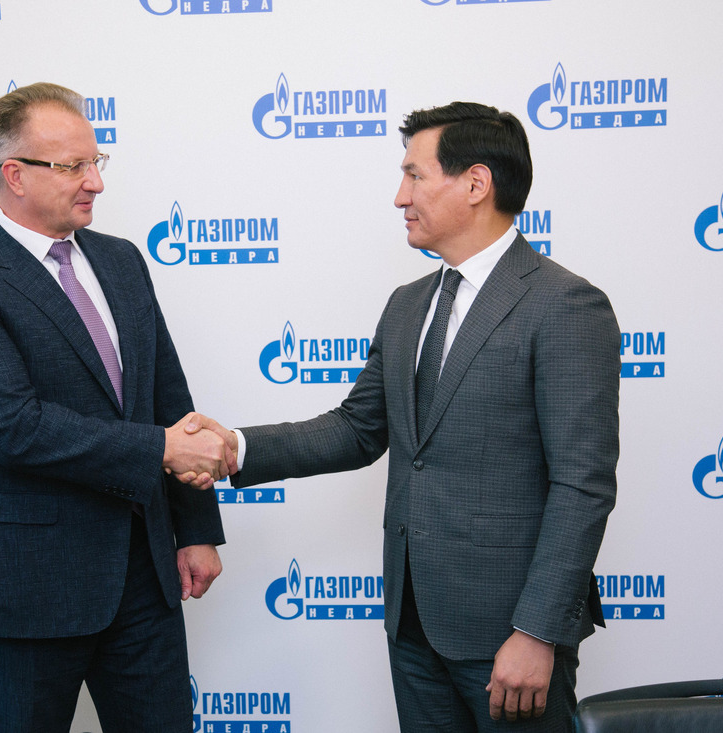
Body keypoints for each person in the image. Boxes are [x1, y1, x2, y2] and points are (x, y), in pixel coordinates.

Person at [186, 102, 620, 731]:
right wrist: (236, 449)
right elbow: (360, 428)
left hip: (510, 633)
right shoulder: (407, 305)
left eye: (415, 175)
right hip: (412, 624)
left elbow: (583, 484)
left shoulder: (564, 305)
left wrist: (536, 631)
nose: (399, 196)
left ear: (476, 184)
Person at [0, 82, 230, 733]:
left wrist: (196, 525)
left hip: (144, 575)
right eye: (73, 166)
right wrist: (163, 449)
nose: (95, 183)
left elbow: (168, 395)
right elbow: (14, 428)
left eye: (96, 161)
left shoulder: (121, 260)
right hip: (26, 586)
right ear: (14, 174)